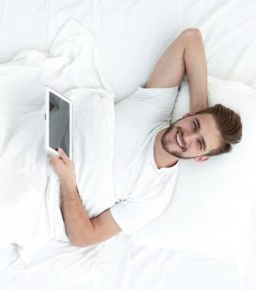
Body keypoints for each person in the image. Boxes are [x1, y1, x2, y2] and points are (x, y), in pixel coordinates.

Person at [49, 28, 242, 247]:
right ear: (189, 114)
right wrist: (199, 110)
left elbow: (84, 237)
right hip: (42, 126)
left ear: (201, 157)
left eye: (200, 143)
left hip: (47, 186)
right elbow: (191, 39)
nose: (187, 136)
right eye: (194, 125)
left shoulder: (155, 196)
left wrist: (67, 180)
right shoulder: (155, 106)